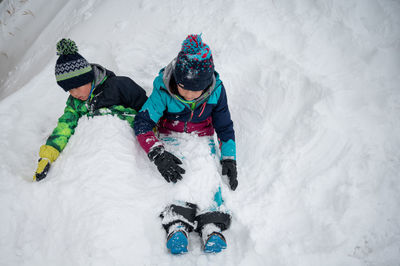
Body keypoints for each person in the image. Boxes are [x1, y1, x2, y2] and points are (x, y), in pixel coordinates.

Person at [134, 34, 238, 254]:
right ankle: (177, 223)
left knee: (207, 175)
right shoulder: (163, 90)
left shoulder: (216, 91)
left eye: (196, 90)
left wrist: (229, 157)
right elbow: (142, 123)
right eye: (184, 88)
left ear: (207, 84)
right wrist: (158, 154)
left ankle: (211, 224)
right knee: (176, 179)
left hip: (202, 138)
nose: (190, 95)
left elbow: (225, 127)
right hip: (170, 137)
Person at [34, 38, 147, 181]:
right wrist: (48, 154)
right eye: (69, 90)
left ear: (88, 78)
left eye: (77, 87)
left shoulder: (120, 86)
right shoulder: (75, 103)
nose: (74, 93)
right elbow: (65, 126)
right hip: (95, 161)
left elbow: (146, 110)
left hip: (127, 153)